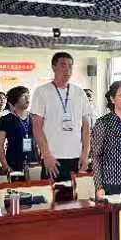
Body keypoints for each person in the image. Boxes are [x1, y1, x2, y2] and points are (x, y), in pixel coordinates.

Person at [31, 52, 92, 182]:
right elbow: (37, 127)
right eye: (63, 65)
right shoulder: (42, 92)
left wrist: (85, 154)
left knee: (75, 194)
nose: (67, 69)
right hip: (53, 158)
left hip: (76, 157)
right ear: (54, 67)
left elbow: (86, 127)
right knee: (54, 194)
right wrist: (46, 155)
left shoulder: (79, 93)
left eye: (70, 66)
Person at [0, 86, 38, 173]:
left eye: (28, 95)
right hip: (14, 164)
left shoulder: (34, 117)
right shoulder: (6, 119)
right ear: (15, 100)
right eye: (23, 96)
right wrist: (5, 165)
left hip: (34, 163)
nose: (27, 98)